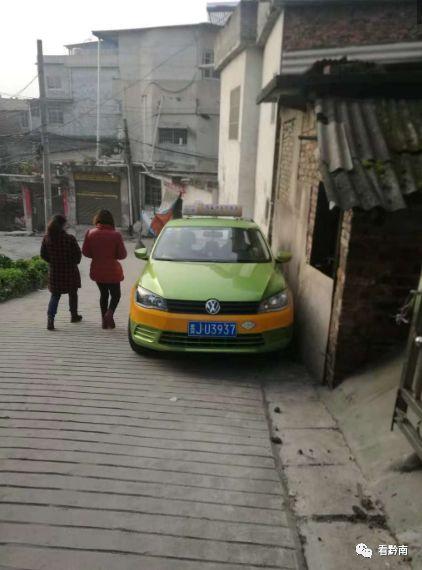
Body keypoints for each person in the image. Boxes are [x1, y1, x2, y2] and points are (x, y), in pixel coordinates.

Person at [82, 209, 127, 329]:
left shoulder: (90, 233)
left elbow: (85, 252)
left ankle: (104, 321)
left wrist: (97, 255)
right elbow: (122, 255)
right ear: (111, 221)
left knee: (104, 294)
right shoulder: (116, 235)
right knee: (116, 295)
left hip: (97, 270)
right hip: (112, 271)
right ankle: (109, 314)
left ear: (97, 220)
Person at [40, 214, 82, 331]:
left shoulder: (47, 238)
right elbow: (77, 254)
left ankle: (50, 319)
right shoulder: (69, 239)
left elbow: (43, 255)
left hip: (55, 272)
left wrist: (52, 261)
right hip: (70, 271)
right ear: (63, 225)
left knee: (55, 295)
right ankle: (74, 315)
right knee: (73, 293)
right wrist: (73, 262)